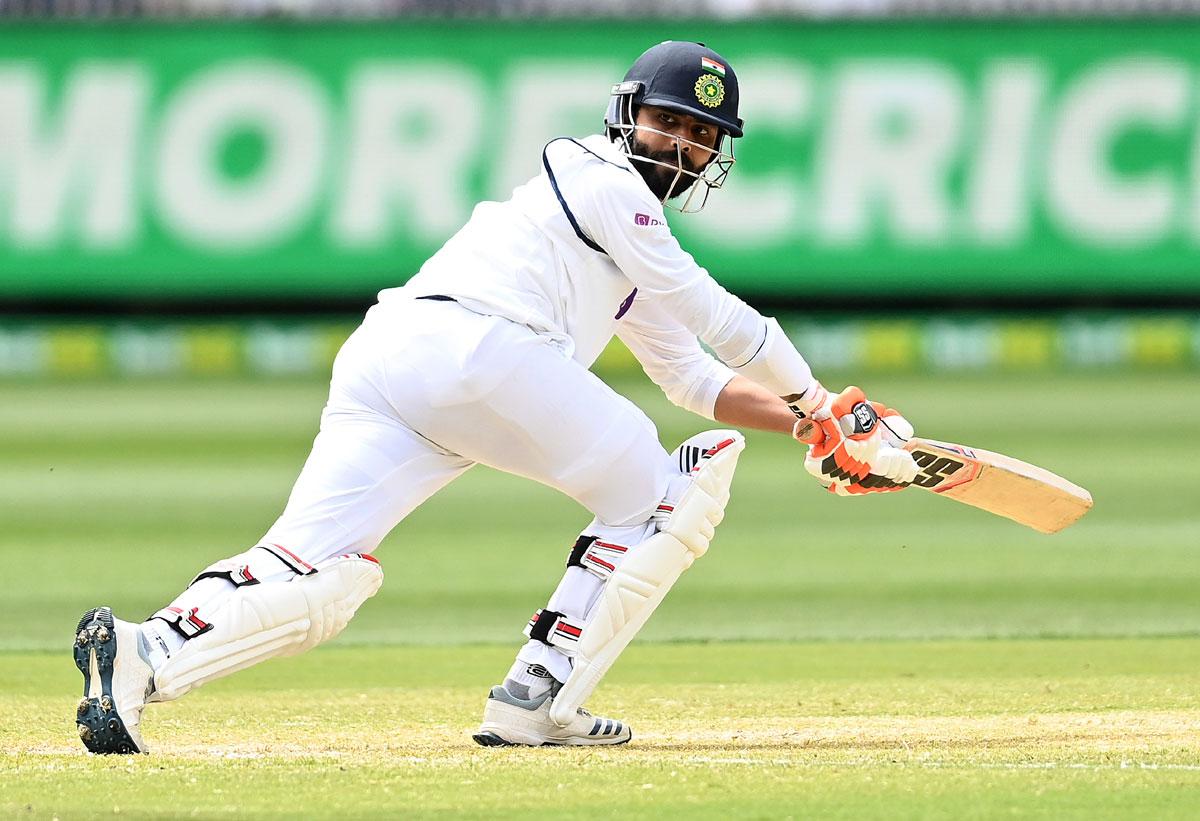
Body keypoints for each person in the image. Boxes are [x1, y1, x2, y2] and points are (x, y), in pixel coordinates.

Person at [72, 40, 920, 754]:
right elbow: (714, 313)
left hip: (396, 361)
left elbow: (691, 374)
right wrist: (819, 400)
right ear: (628, 114)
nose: (680, 147)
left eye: (701, 135)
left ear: (715, 155)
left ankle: (146, 653)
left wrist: (806, 427)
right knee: (669, 491)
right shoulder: (604, 180)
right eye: (669, 122)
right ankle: (537, 696)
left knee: (320, 573)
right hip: (479, 347)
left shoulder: (632, 242)